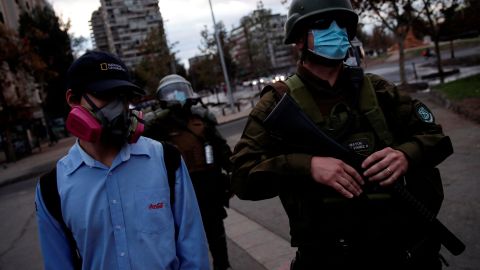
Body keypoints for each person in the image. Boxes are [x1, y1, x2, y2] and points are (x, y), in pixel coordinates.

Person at [230, 1, 453, 269]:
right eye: (323, 24)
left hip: (405, 251)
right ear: (299, 40)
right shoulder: (277, 103)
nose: (335, 31)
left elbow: (435, 137)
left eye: (342, 24)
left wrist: (405, 155)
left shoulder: (378, 90)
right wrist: (307, 166)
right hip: (329, 257)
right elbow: (242, 177)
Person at [35, 51, 210, 270]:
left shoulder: (166, 160)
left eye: (123, 96)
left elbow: (194, 252)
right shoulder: (52, 189)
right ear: (72, 100)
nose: (119, 108)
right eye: (106, 95)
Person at [144, 74, 233, 270]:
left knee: (215, 233)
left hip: (208, 186)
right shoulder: (158, 125)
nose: (177, 96)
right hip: (176, 190)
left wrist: (235, 173)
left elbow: (221, 149)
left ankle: (222, 265)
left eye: (181, 91)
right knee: (181, 237)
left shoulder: (201, 119)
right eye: (171, 93)